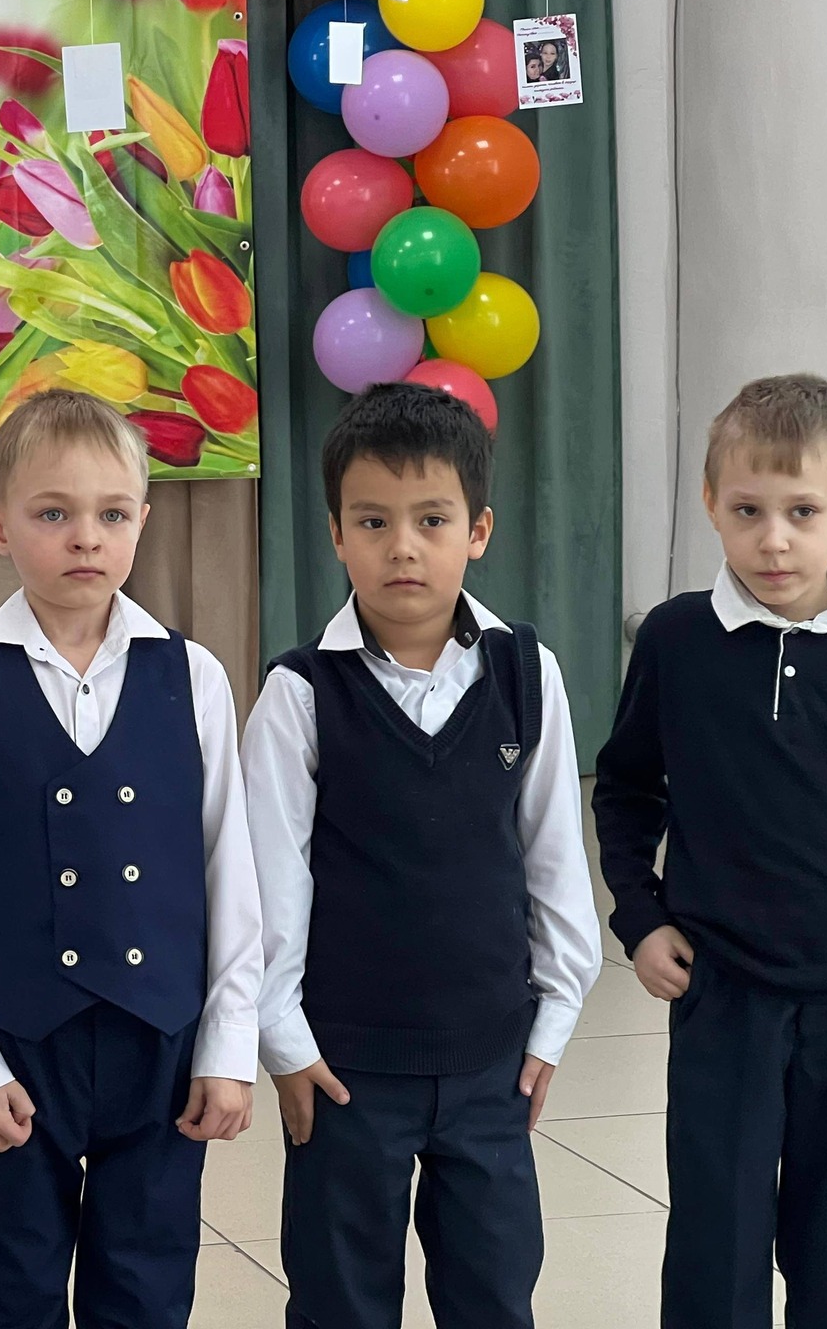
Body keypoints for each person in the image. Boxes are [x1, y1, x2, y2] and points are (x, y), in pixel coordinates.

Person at [594, 373, 827, 1329]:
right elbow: (627, 790)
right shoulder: (677, 638)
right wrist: (640, 919)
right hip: (723, 993)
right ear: (711, 504)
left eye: (802, 511)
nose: (774, 540)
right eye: (747, 511)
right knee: (716, 1239)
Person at [245, 383, 602, 1329]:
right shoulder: (299, 694)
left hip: (492, 1058)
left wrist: (552, 1024)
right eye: (373, 521)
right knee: (341, 1299)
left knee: (494, 1290)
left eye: (431, 520)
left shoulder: (526, 672)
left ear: (477, 531)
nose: (402, 546)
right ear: (336, 535)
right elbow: (271, 887)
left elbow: (555, 860)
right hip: (344, 1067)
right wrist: (284, 1043)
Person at [0, 389, 264, 1329]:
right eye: (53, 514)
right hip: (19, 1042)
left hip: (161, 1042)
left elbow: (229, 869)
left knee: (147, 1287)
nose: (85, 539)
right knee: (8, 1286)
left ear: (143, 521)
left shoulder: (192, 674)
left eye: (111, 515)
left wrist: (229, 1043)